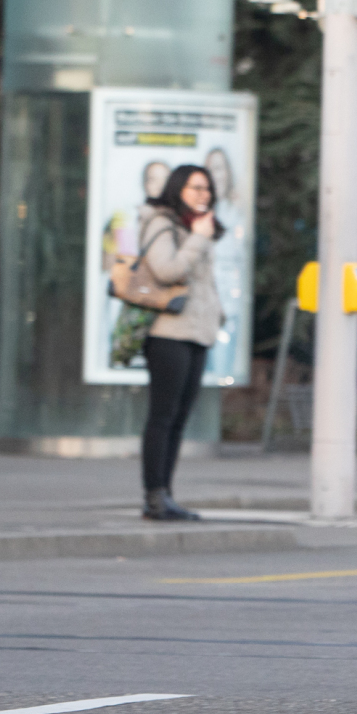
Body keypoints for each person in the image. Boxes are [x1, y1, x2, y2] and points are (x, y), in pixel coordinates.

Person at [134, 162, 224, 521]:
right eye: (195, 188)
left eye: (207, 189)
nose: (203, 195)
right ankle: (154, 496)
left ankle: (166, 495)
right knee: (162, 416)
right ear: (177, 190)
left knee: (179, 418)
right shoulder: (161, 222)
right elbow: (166, 270)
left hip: (197, 333)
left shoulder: (193, 227)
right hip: (167, 333)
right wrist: (200, 238)